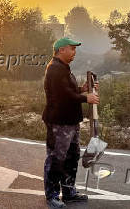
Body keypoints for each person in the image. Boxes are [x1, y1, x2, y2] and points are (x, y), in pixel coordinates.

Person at [42, 37, 100, 208]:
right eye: (72, 49)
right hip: (59, 123)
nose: (74, 52)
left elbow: (67, 90)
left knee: (72, 156)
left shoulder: (63, 68)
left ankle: (69, 192)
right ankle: (52, 196)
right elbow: (63, 96)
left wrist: (81, 89)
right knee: (56, 159)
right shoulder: (55, 69)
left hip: (70, 121)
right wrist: (85, 97)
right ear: (61, 50)